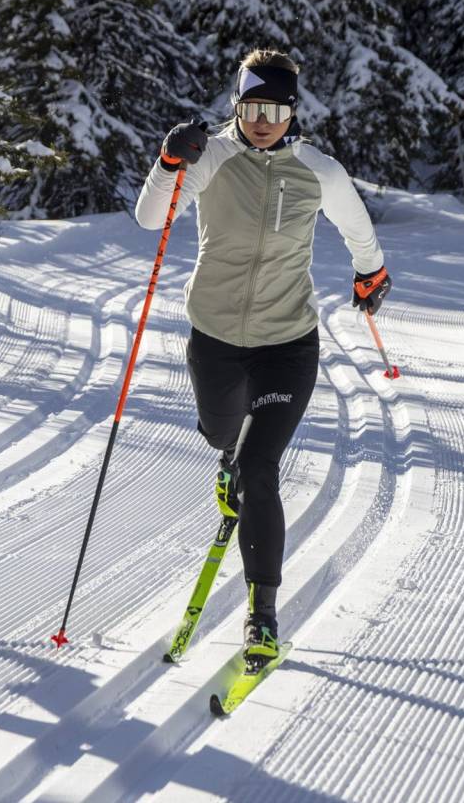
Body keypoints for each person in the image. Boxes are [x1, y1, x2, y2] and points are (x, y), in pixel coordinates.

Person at [134, 49, 391, 665]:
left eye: (275, 109)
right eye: (253, 107)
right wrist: (169, 163)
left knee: (258, 469)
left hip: (287, 344)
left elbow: (357, 227)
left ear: (292, 111)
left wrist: (370, 272)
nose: (263, 120)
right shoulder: (212, 157)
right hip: (216, 338)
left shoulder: (317, 169)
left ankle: (262, 617)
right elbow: (150, 218)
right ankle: (227, 454)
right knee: (223, 436)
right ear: (237, 105)